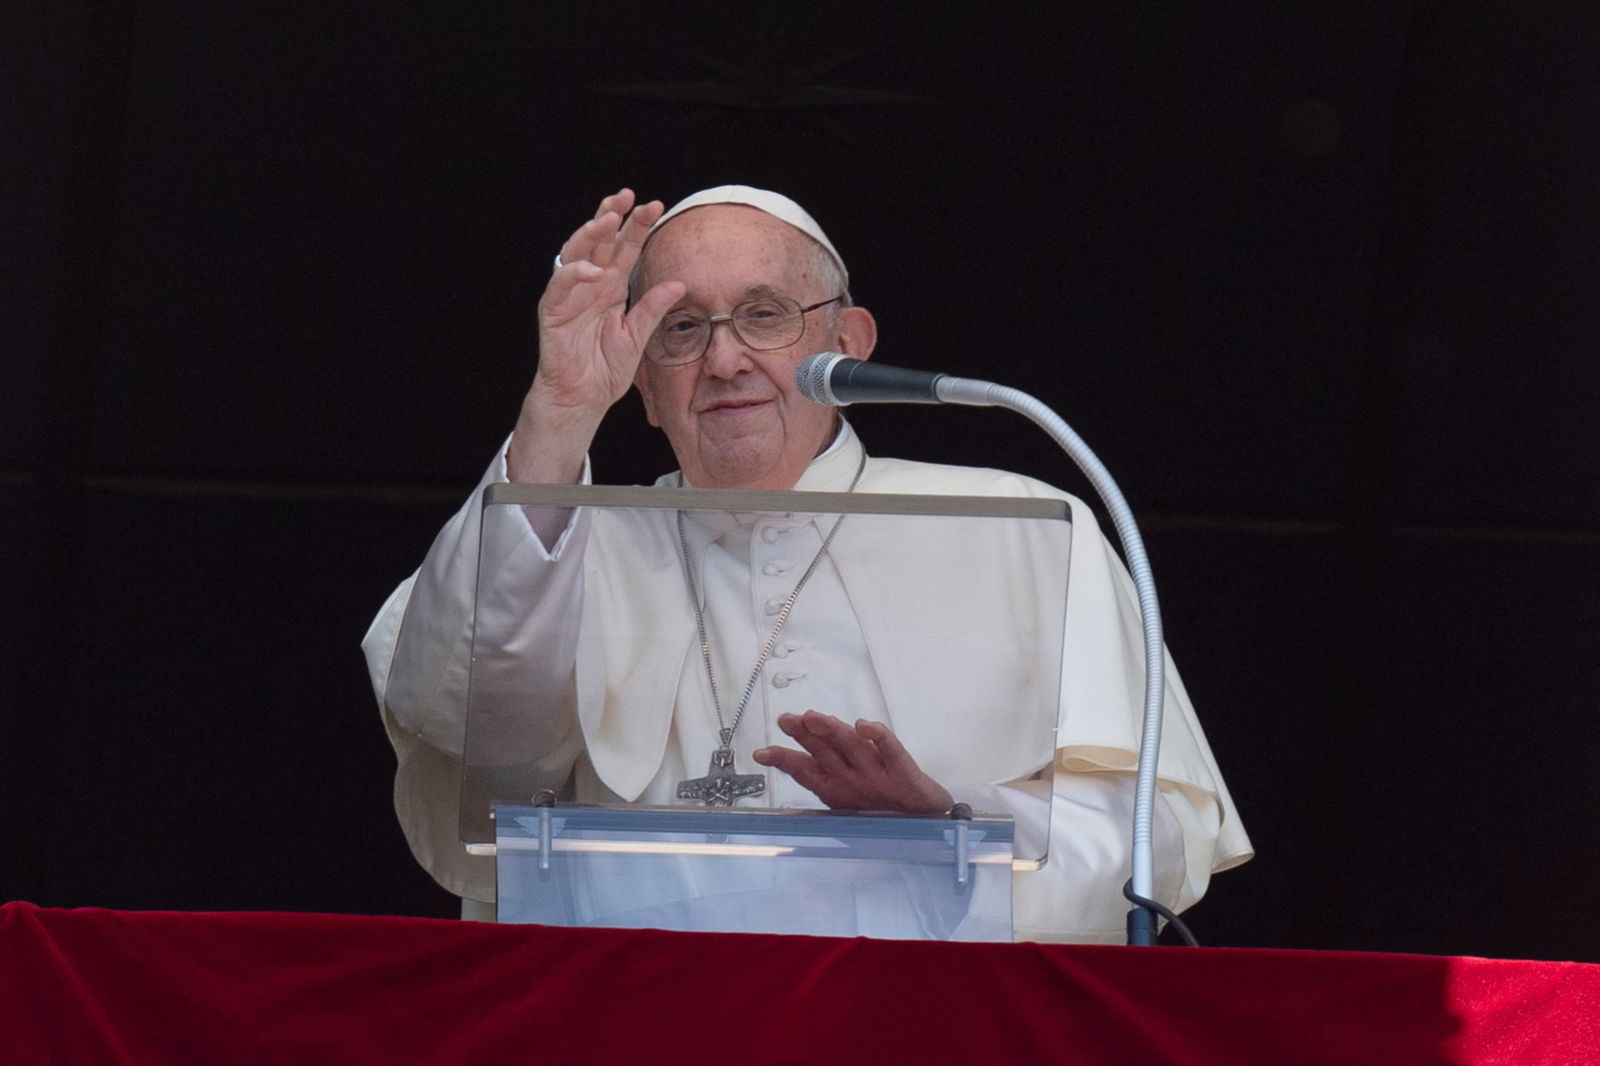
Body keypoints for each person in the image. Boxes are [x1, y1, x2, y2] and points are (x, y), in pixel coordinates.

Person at [362, 185, 1252, 942]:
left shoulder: (1024, 524)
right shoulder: (565, 539)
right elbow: (473, 745)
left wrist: (952, 821)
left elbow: (1157, 836)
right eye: (678, 329)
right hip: (638, 1020)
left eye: (763, 315)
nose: (723, 359)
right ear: (640, 381)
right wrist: (559, 407)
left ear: (850, 341)